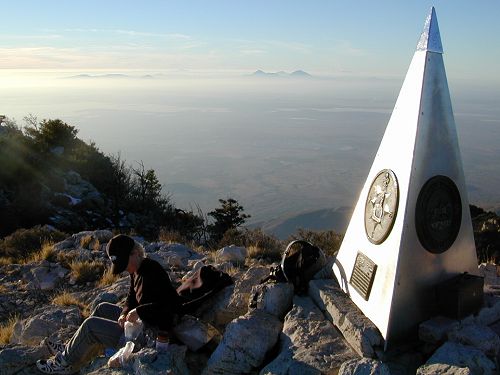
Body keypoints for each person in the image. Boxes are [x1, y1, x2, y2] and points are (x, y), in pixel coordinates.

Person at [36, 234, 182, 374]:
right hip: (140, 324)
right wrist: (125, 312)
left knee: (91, 325)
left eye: (125, 263)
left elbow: (170, 305)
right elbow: (131, 297)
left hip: (150, 335)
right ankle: (71, 348)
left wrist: (140, 311)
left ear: (136, 253)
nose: (125, 268)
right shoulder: (136, 270)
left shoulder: (152, 270)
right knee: (102, 308)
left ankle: (64, 363)